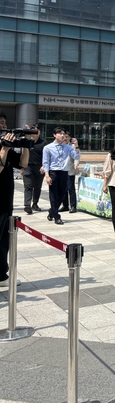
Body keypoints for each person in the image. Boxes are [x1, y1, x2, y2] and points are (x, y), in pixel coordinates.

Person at [0, 112, 29, 288]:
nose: (3, 127)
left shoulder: (8, 147)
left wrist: (25, 145)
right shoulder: (4, 148)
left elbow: (23, 164)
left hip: (5, 200)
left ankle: (1, 275)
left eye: (4, 123)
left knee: (4, 239)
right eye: (0, 124)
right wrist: (3, 149)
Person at [42, 127, 80, 226]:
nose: (62, 135)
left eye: (63, 134)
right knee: (54, 195)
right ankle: (57, 216)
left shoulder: (68, 147)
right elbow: (46, 162)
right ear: (54, 135)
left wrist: (76, 146)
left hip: (64, 172)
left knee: (62, 194)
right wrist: (47, 175)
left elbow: (76, 156)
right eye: (60, 133)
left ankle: (52, 211)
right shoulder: (48, 148)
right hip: (53, 172)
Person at [22, 125, 47, 214]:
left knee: (37, 187)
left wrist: (44, 166)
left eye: (37, 131)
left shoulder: (44, 143)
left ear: (39, 132)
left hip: (39, 168)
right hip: (28, 167)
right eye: (33, 131)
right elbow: (22, 154)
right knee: (28, 186)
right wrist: (21, 167)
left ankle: (35, 204)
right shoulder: (27, 142)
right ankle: (27, 205)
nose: (35, 133)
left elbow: (47, 157)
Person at [60, 131, 78, 213]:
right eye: (64, 136)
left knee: (71, 188)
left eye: (67, 136)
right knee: (63, 189)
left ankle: (73, 206)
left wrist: (76, 164)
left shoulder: (73, 146)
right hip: (62, 170)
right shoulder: (61, 146)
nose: (65, 138)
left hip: (70, 169)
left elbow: (77, 156)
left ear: (70, 138)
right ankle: (65, 206)